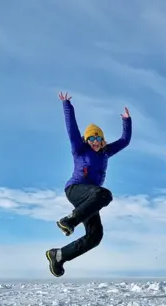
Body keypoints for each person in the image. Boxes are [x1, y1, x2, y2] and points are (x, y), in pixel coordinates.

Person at [46, 92, 132, 277]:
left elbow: (125, 141)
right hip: (75, 189)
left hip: (89, 200)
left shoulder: (106, 152)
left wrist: (126, 121)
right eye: (91, 139)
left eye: (97, 138)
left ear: (103, 140)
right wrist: (67, 105)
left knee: (95, 236)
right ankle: (69, 221)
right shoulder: (79, 149)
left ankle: (59, 255)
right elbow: (72, 129)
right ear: (86, 141)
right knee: (104, 195)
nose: (94, 142)